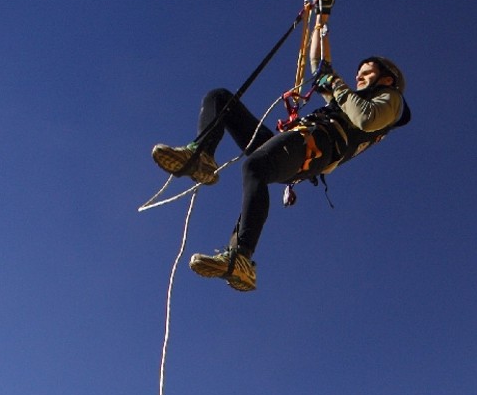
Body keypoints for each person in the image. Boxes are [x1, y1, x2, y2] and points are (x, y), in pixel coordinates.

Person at [151, 15, 409, 292]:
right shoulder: (346, 97)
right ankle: (201, 157)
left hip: (313, 147)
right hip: (297, 141)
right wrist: (321, 19)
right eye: (359, 72)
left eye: (367, 72)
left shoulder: (390, 101)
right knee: (220, 98)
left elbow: (367, 119)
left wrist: (335, 82)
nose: (358, 76)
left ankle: (241, 258)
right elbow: (318, 64)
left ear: (387, 79)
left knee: (255, 167)